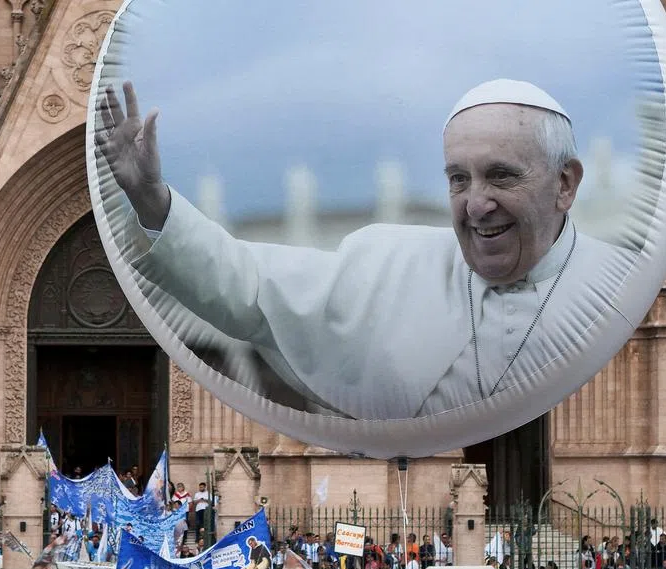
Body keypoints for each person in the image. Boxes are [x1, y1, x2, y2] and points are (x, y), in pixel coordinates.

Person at [97, 78, 623, 422]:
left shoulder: (619, 286)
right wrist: (151, 200)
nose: (477, 204)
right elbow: (253, 288)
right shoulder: (389, 263)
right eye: (458, 180)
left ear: (565, 184)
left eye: (501, 177)